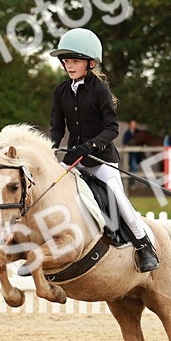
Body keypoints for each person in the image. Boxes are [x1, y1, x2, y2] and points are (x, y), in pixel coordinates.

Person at [48, 27, 159, 273]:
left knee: (119, 200)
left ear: (90, 63)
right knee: (49, 191)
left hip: (101, 159)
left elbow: (112, 128)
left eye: (74, 61)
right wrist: (49, 148)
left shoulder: (100, 89)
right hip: (75, 157)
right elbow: (57, 128)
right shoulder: (60, 91)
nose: (69, 66)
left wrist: (91, 145)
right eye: (66, 61)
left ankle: (144, 247)